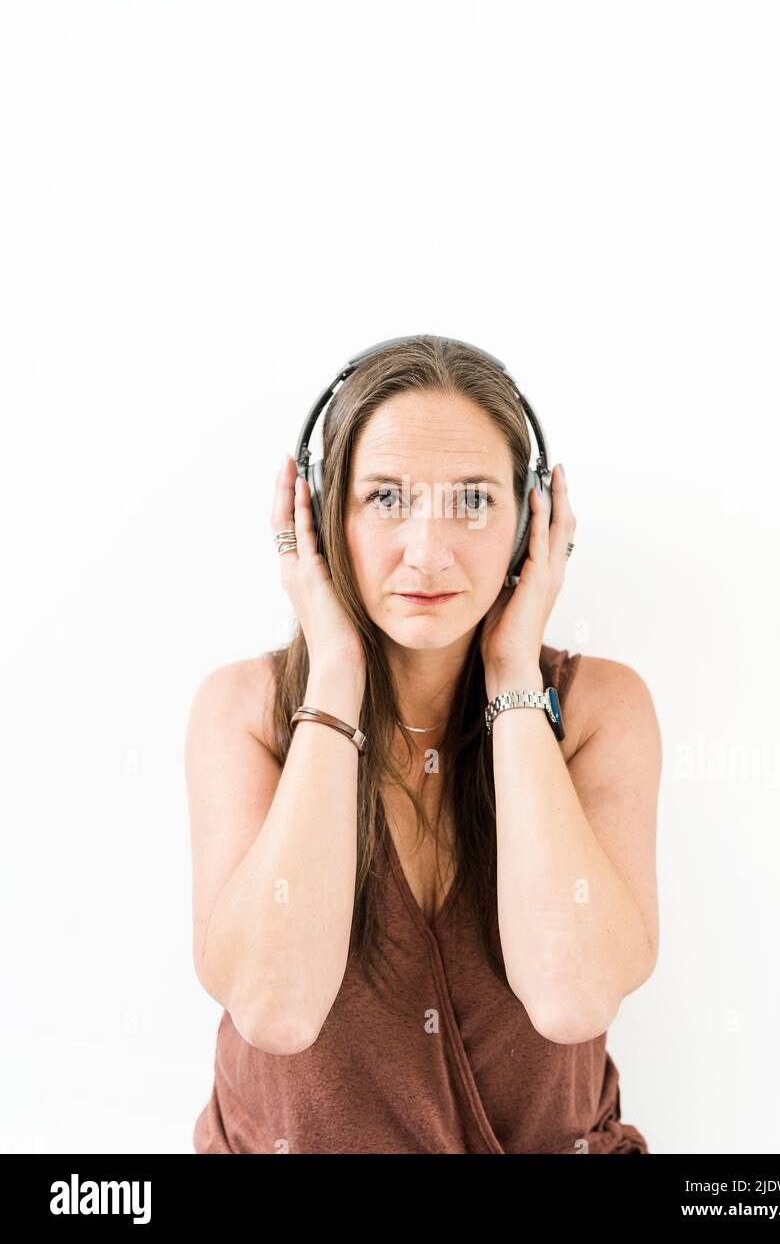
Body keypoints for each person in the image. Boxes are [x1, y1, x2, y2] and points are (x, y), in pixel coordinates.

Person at [186, 335, 661, 1153]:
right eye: (385, 498)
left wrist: (513, 671)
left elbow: (571, 997)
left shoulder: (597, 708)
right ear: (320, 514)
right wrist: (334, 674)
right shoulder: (245, 711)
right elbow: (277, 1009)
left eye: (473, 499)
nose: (428, 551)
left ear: (531, 521)